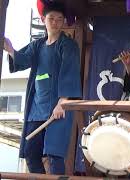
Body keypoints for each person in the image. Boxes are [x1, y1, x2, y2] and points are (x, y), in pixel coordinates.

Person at [3, 1, 81, 175]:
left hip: (57, 107)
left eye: (59, 19)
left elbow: (71, 71)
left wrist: (64, 101)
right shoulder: (37, 45)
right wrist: (10, 49)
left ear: (63, 22)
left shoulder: (68, 45)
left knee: (54, 154)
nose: (55, 22)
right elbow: (22, 59)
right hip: (37, 109)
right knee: (31, 153)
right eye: (51, 18)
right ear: (43, 19)